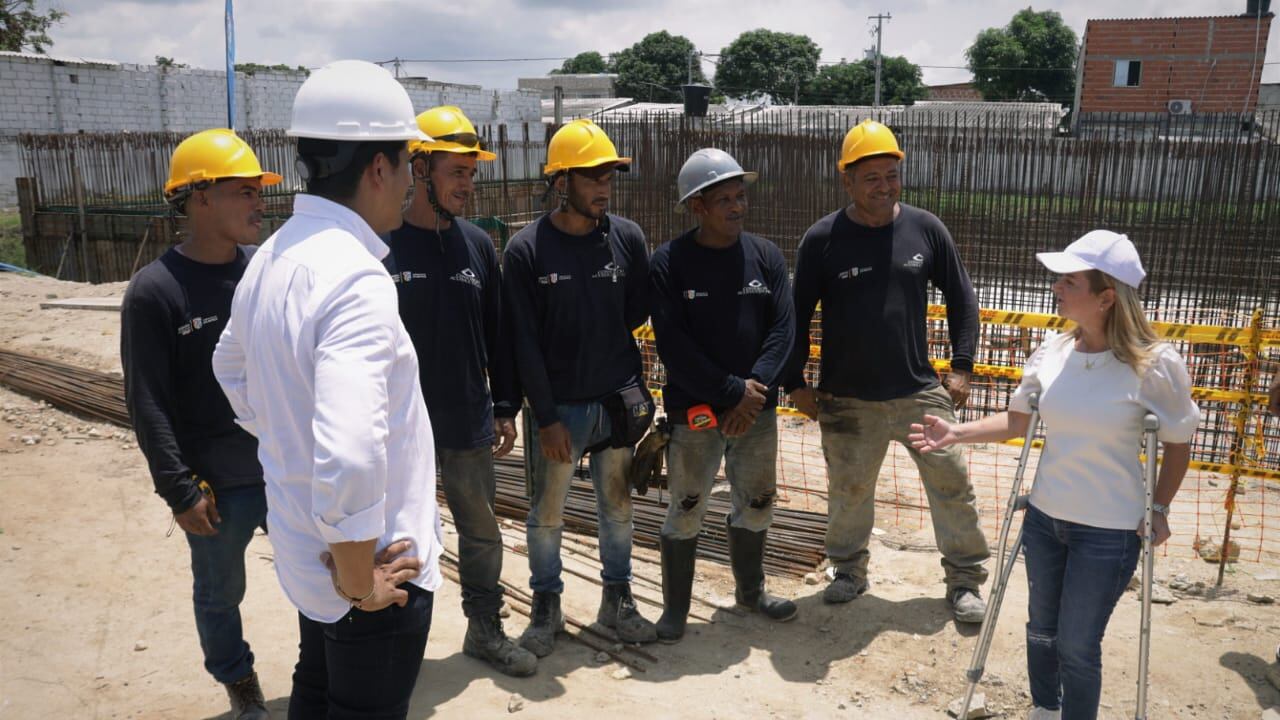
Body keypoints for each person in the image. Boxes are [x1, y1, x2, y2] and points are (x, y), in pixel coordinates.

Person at [211, 60, 442, 720]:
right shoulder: (356, 279)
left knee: (316, 694)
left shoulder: (277, 256)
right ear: (377, 167)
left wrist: (288, 438)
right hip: (374, 575)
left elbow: (230, 369)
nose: (408, 184)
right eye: (407, 165)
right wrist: (356, 575)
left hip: (310, 553)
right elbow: (351, 452)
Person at [909, 230, 1200, 720]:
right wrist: (956, 434)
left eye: (1069, 282)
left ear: (1107, 298)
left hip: (1109, 531)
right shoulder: (1052, 351)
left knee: (1077, 644)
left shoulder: (1155, 366)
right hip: (1045, 519)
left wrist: (1160, 507)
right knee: (1040, 629)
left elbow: (1178, 443)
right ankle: (1046, 709)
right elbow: (1018, 422)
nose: (1056, 289)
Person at [782, 119, 990, 622]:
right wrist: (794, 382)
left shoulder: (925, 228)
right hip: (847, 397)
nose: (884, 185)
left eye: (891, 174)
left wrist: (961, 366)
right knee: (849, 491)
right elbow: (795, 314)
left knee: (951, 484)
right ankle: (849, 570)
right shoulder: (823, 239)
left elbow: (962, 296)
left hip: (918, 390)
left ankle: (964, 580)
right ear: (847, 181)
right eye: (871, 176)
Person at [122, 128, 281, 719]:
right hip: (217, 481)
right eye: (244, 191)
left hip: (280, 464)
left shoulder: (263, 272)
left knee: (318, 571)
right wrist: (178, 489)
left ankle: (321, 670)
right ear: (200, 198)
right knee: (220, 593)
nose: (259, 202)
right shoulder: (155, 291)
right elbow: (147, 401)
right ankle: (240, 686)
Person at [384, 105, 536, 677]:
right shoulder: (384, 244)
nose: (468, 184)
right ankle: (393, 641)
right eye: (456, 172)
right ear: (420, 170)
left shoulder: (477, 245)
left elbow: (498, 331)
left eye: (472, 173)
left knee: (480, 530)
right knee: (401, 537)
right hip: (402, 426)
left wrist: (503, 406)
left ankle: (484, 629)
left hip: (468, 419)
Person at [502, 118, 656, 656]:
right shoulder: (526, 251)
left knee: (617, 506)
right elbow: (523, 343)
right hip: (559, 411)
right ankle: (546, 609)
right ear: (562, 180)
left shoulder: (627, 238)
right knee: (546, 515)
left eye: (609, 176)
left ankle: (618, 599)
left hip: (614, 401)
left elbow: (636, 310)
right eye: (593, 177)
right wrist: (544, 418)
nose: (604, 187)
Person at [648, 148, 797, 643]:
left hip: (756, 412)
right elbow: (673, 344)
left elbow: (783, 330)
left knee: (757, 499)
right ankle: (675, 612)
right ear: (697, 207)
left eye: (740, 196)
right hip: (697, 412)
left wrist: (752, 397)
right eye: (724, 200)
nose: (737, 207)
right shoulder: (669, 263)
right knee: (687, 503)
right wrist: (733, 393)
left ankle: (751, 593)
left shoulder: (766, 256)